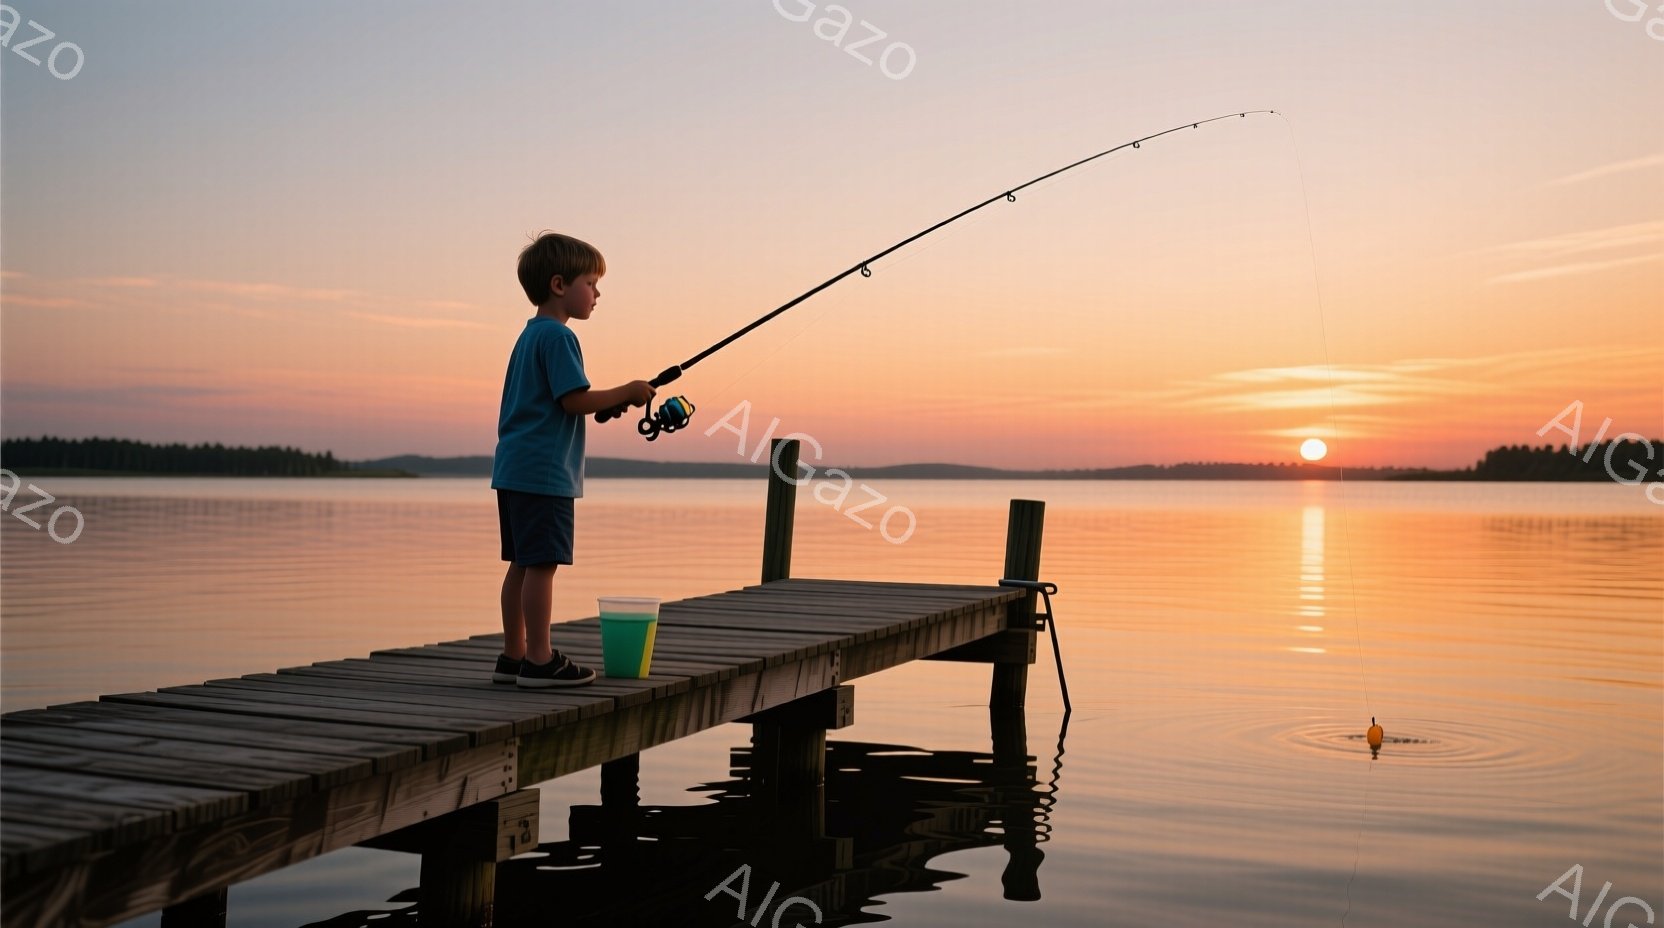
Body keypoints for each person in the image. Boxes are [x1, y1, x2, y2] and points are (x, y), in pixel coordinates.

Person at [490, 232, 656, 687]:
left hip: (513, 468)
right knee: (542, 564)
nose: (598, 294)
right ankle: (540, 661)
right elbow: (571, 401)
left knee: (521, 565)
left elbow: (565, 400)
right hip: (545, 474)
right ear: (560, 284)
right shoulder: (560, 337)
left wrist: (600, 403)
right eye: (592, 282)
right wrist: (627, 390)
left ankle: (513, 656)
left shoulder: (529, 338)